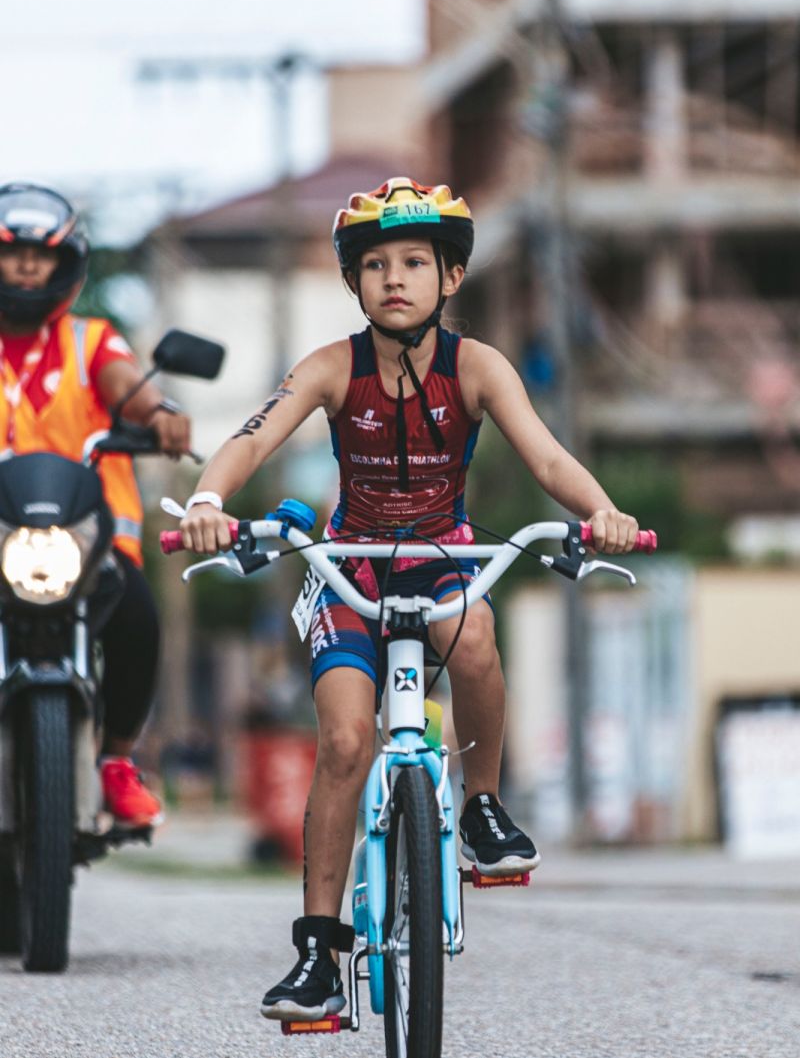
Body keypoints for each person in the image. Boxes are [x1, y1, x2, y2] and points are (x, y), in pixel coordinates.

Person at [178, 176, 639, 1021]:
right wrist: (209, 502)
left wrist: (601, 512)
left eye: (416, 262)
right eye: (377, 264)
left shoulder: (479, 368)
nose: (396, 278)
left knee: (474, 642)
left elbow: (546, 458)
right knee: (348, 738)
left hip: (442, 560)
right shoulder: (328, 368)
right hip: (349, 567)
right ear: (356, 283)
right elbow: (249, 439)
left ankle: (484, 809)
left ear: (450, 277)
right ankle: (318, 954)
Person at [0, 182, 192, 827]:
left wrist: (158, 413)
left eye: (42, 255)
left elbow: (126, 388)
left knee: (137, 614)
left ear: (65, 264)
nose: (27, 266)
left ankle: (115, 761)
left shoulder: (91, 339)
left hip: (88, 542)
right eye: (13, 252)